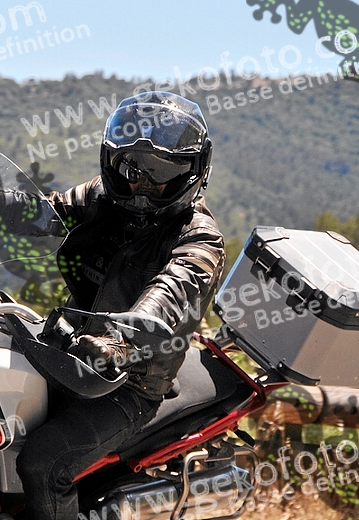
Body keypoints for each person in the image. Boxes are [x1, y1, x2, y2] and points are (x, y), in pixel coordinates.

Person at [14, 91, 226, 520]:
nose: (142, 184)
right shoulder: (103, 198)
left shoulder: (199, 239)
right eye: (131, 167)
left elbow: (168, 295)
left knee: (42, 463)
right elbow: (41, 212)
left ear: (192, 171)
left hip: (128, 383)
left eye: (161, 171)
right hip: (67, 351)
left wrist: (119, 341)